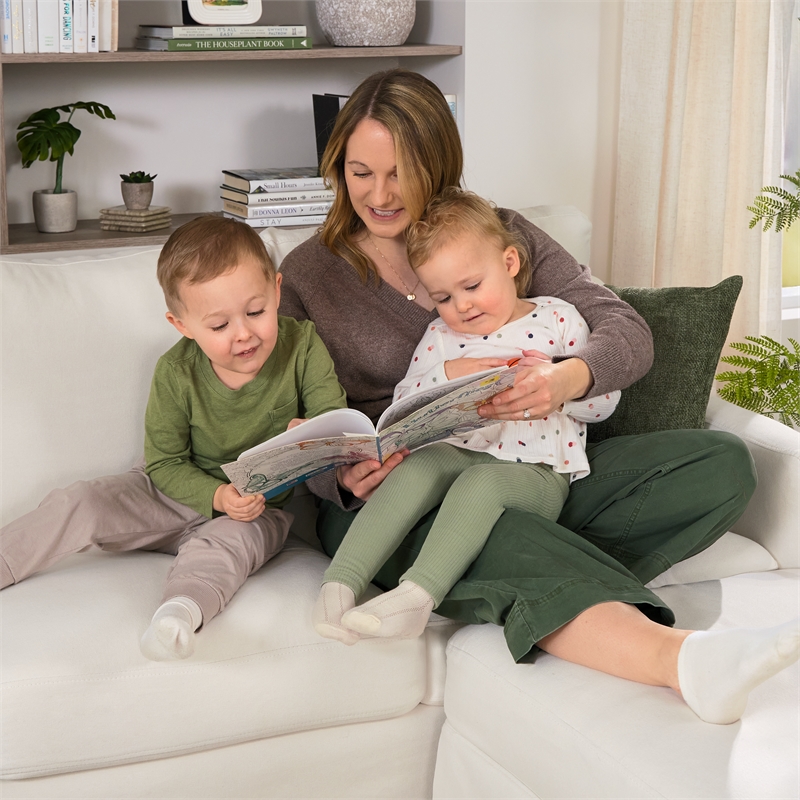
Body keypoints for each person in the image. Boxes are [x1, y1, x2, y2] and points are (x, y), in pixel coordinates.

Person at [279, 67, 799, 725]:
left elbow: (624, 332)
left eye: (400, 172)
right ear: (337, 167)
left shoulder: (502, 233)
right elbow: (297, 417)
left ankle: (497, 566)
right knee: (473, 508)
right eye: (360, 172)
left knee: (722, 464)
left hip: (533, 463)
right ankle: (684, 660)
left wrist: (567, 379)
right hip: (397, 495)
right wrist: (343, 478)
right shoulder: (306, 275)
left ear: (437, 161)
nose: (380, 195)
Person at [0, 216, 347, 661]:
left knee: (224, 549)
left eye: (256, 312)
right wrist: (216, 494)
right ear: (182, 324)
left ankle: (178, 614)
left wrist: (314, 435)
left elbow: (334, 420)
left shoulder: (303, 346)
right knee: (81, 501)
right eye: (219, 326)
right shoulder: (176, 372)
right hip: (172, 492)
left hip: (253, 510)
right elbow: (164, 464)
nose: (243, 334)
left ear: (277, 292)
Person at [314, 188, 620, 644]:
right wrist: (446, 373)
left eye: (472, 286)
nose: (463, 306)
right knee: (417, 468)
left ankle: (416, 598)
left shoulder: (559, 318)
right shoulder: (440, 335)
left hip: (535, 471)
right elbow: (404, 406)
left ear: (510, 264)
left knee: (482, 484)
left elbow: (604, 404)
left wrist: (557, 384)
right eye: (443, 297)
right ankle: (339, 585)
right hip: (457, 450)